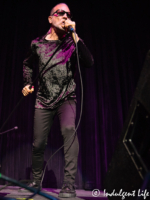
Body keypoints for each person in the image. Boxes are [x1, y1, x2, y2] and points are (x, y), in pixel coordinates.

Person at [20, 3, 94, 198]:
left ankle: (68, 184)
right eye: (60, 13)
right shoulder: (37, 43)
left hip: (66, 97)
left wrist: (75, 35)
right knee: (38, 143)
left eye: (68, 15)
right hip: (43, 100)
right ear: (50, 19)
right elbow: (27, 63)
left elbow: (89, 62)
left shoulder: (72, 43)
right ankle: (36, 181)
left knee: (69, 130)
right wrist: (28, 82)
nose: (65, 17)